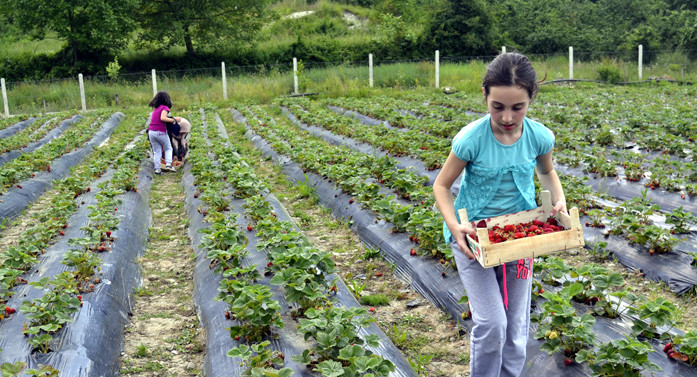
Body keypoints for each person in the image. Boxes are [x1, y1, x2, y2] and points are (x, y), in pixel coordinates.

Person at [432, 52, 567, 377]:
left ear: (531, 97)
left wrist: (558, 201)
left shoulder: (539, 137)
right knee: (492, 323)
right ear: (485, 96)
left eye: (517, 107)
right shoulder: (471, 140)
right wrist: (456, 226)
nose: (507, 117)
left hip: (520, 240)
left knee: (517, 324)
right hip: (473, 241)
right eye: (498, 107)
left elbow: (547, 172)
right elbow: (441, 187)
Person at [148, 91, 180, 174]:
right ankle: (168, 165)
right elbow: (163, 118)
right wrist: (174, 120)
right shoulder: (165, 108)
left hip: (151, 132)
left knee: (157, 151)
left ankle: (157, 169)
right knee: (168, 148)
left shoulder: (156, 109)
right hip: (160, 132)